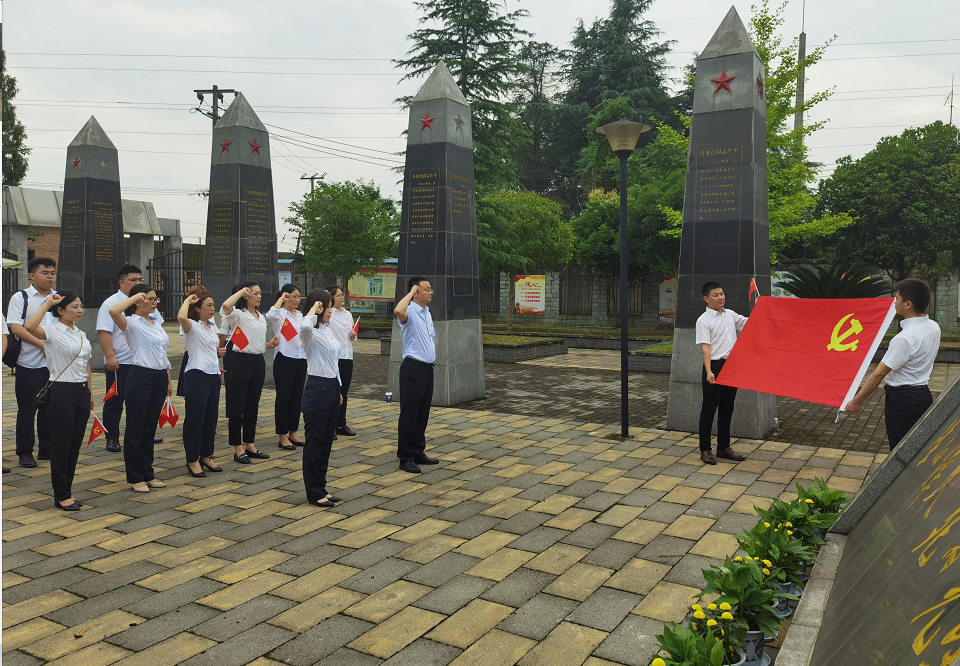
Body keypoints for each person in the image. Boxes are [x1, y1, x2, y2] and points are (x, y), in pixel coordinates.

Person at [844, 278, 941, 450]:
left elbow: (879, 374)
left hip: (903, 400)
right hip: (923, 395)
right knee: (920, 447)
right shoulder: (933, 327)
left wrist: (856, 401)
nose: (894, 302)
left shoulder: (904, 338)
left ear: (908, 304)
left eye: (897, 298)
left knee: (901, 449)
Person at [24, 292, 93, 509]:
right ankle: (62, 494)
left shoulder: (81, 333)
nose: (80, 310)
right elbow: (29, 327)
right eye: (74, 306)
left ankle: (67, 491)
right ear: (61, 311)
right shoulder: (52, 331)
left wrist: (90, 393)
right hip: (61, 391)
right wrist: (48, 303)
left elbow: (86, 365)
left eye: (81, 306)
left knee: (74, 444)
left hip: (81, 391)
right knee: (61, 444)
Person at [109, 285, 171, 492]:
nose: (154, 303)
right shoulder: (132, 323)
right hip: (140, 377)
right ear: (137, 301)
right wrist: (135, 295)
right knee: (136, 428)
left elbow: (163, 353)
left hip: (160, 376)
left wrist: (168, 379)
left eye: (156, 299)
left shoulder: (156, 323)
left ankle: (148, 472)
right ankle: (136, 477)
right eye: (150, 299)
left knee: (149, 428)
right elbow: (113, 311)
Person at [97, 264, 164, 453]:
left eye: (140, 279)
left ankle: (144, 432)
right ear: (122, 282)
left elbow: (158, 328)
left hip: (145, 364)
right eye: (133, 280)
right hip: (121, 361)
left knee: (143, 403)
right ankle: (112, 436)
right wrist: (110, 356)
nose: (137, 282)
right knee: (115, 400)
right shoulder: (111, 303)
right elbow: (104, 331)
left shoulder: (149, 302)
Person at [6, 257, 58, 468]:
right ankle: (25, 451)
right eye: (45, 273)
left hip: (54, 365)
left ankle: (46, 448)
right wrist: (41, 345)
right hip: (29, 363)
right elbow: (16, 327)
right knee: (28, 410)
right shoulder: (22, 297)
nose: (50, 277)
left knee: (50, 409)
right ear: (32, 275)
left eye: (52, 273)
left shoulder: (58, 297)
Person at [220, 282, 280, 464]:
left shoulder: (260, 317)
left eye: (260, 293)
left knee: (252, 404)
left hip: (258, 361)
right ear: (246, 295)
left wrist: (269, 345)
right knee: (237, 405)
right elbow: (226, 306)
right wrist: (241, 291)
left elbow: (255, 342)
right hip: (241, 361)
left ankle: (250, 444)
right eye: (255, 293)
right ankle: (237, 448)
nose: (259, 296)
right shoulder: (239, 315)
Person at [695, 281, 748, 465]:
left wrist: (761, 308)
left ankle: (723, 447)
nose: (720, 297)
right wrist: (709, 370)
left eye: (722, 294)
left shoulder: (730, 314)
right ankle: (705, 450)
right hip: (715, 367)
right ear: (706, 298)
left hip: (732, 367)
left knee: (727, 408)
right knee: (709, 410)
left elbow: (748, 324)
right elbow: (705, 347)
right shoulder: (703, 320)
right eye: (716, 295)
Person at [177, 286, 227, 477]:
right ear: (197, 309)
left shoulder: (211, 326)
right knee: (195, 419)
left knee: (210, 418)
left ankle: (206, 455)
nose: (212, 308)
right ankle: (192, 459)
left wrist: (218, 352)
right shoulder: (191, 325)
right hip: (196, 375)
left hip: (213, 375)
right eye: (208, 305)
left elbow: (208, 348)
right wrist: (187, 300)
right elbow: (181, 317)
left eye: (213, 305)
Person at [300, 289, 343, 507]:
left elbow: (334, 362)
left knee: (326, 441)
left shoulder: (327, 329)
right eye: (326, 307)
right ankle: (313, 491)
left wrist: (339, 388)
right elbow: (304, 327)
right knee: (315, 442)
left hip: (332, 386)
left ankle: (321, 485)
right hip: (317, 388)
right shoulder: (310, 332)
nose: (329, 311)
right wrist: (313, 311)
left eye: (330, 307)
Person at [394, 276, 441, 474]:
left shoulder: (426, 312)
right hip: (413, 368)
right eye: (426, 289)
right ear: (415, 291)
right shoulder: (410, 311)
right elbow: (398, 311)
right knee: (409, 414)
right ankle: (405, 457)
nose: (431, 292)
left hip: (427, 369)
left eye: (431, 289)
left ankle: (417, 451)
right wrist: (411, 293)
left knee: (422, 412)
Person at [266, 284, 307, 451]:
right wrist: (281, 299)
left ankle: (293, 432)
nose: (297, 300)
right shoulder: (280, 314)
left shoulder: (300, 315)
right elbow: (270, 314)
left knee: (297, 397)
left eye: (298, 297)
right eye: (294, 296)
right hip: (284, 358)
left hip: (300, 358)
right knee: (284, 397)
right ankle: (282, 435)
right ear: (286, 296)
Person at [327, 284, 358, 438]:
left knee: (344, 391)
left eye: (342, 294)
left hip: (347, 356)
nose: (342, 297)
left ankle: (341, 424)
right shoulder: (329, 314)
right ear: (331, 298)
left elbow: (352, 335)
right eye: (338, 295)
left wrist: (354, 335)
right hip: (335, 357)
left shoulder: (348, 314)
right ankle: (330, 426)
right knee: (334, 392)